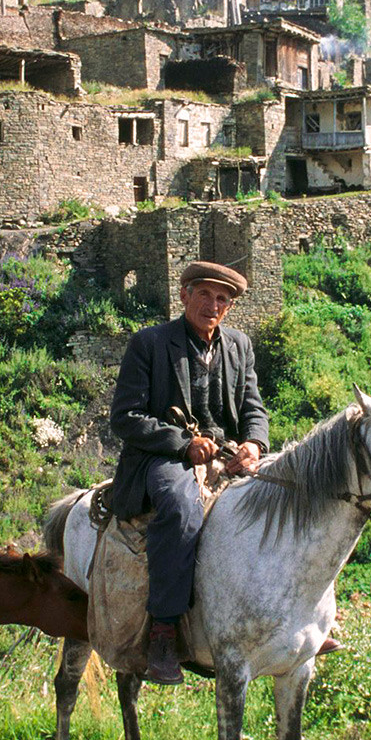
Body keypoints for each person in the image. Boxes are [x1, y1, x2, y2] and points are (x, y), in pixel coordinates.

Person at [106, 260, 266, 684]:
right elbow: (125, 417)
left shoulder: (240, 346)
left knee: (293, 493)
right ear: (184, 296)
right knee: (180, 508)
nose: (213, 305)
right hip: (165, 456)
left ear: (229, 308)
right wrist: (182, 443)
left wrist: (254, 444)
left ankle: (293, 617)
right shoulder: (150, 343)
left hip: (228, 453)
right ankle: (163, 630)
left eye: (222, 299)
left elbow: (253, 408)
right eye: (205, 295)